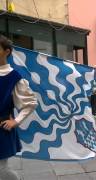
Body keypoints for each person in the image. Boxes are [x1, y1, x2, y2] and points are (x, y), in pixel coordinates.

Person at [0, 35, 38, 180]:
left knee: (2, 170)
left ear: (6, 52)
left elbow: (30, 103)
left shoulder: (14, 77)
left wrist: (16, 121)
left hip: (2, 128)